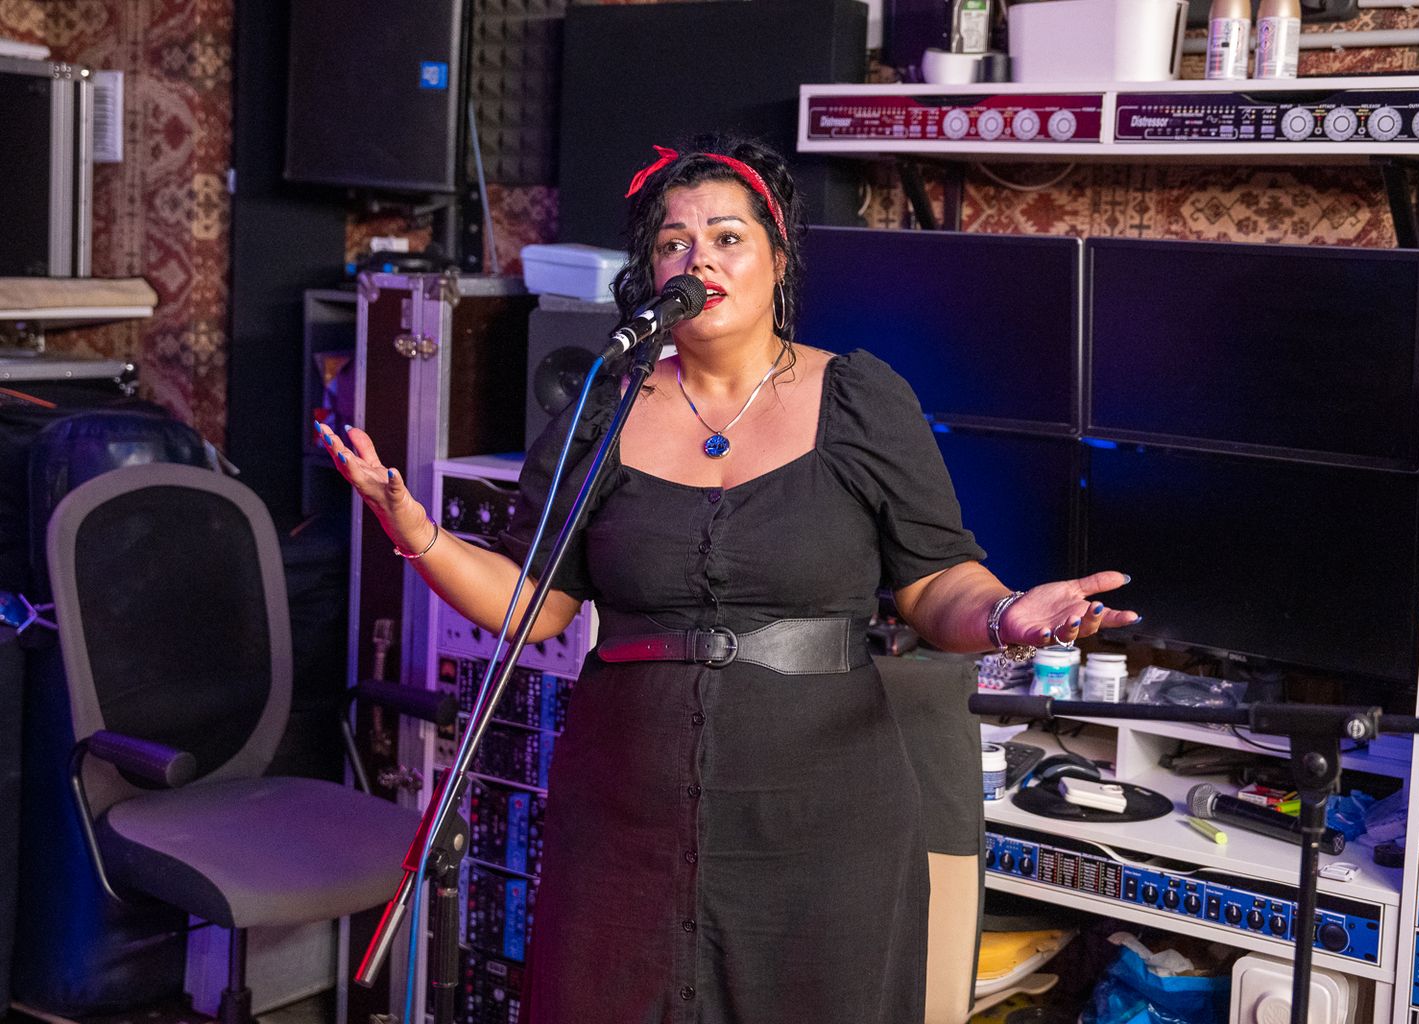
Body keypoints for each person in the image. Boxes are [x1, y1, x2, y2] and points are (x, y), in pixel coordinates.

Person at [316, 134, 1135, 1023]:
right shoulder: (604, 408)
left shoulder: (859, 398)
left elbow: (935, 584)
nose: (697, 258)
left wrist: (1009, 614)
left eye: (727, 237)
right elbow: (532, 605)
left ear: (778, 261)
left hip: (821, 820)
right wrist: (419, 534)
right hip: (624, 816)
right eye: (674, 242)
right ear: (651, 274)